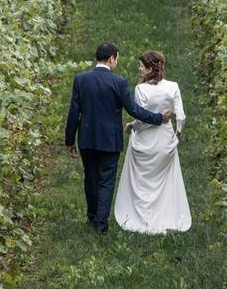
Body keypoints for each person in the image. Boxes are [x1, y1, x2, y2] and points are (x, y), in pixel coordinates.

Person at [64, 41, 172, 234]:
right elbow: (133, 109)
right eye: (117, 59)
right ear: (111, 58)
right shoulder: (118, 82)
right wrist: (157, 118)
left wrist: (69, 140)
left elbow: (74, 112)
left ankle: (92, 216)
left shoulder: (81, 79)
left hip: (87, 138)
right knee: (106, 180)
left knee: (90, 178)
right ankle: (101, 224)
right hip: (110, 140)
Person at [114, 50, 191, 234]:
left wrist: (132, 126)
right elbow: (180, 117)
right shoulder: (173, 86)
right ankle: (165, 214)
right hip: (165, 140)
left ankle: (141, 215)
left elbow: (142, 119)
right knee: (163, 182)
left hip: (145, 142)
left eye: (141, 66)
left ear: (150, 69)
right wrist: (177, 135)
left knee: (142, 182)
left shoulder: (141, 89)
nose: (139, 69)